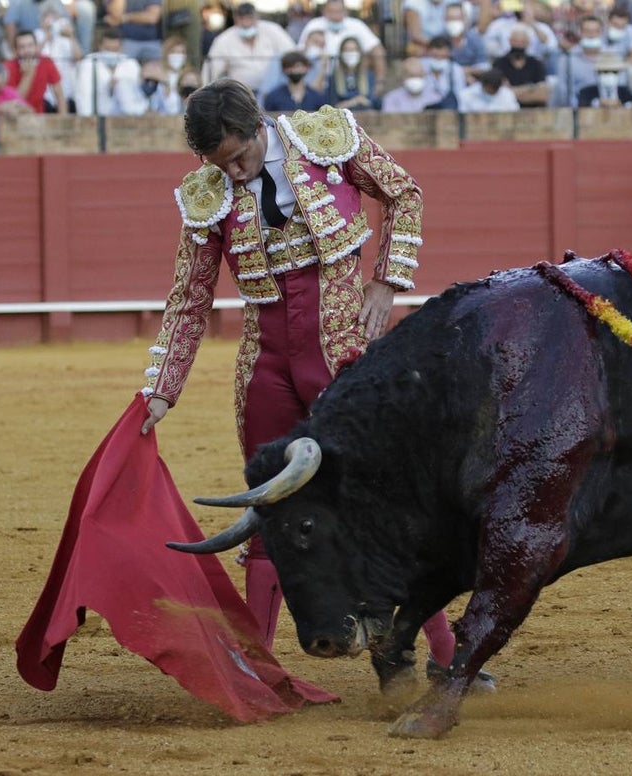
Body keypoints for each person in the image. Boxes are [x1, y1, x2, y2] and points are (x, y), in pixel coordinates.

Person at [140, 79, 489, 691]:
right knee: (271, 513)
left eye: (241, 158)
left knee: (385, 508)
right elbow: (189, 299)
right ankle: (259, 668)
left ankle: (443, 654)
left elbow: (404, 194)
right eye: (221, 166)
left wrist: (387, 279)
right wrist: (163, 389)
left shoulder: (327, 139)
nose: (237, 174)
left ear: (258, 129)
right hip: (266, 367)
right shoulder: (207, 194)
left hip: (345, 357)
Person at [296, 0, 387, 95]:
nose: (335, 16)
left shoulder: (356, 25)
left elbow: (377, 51)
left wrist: (380, 81)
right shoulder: (314, 25)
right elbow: (299, 53)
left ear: (345, 12)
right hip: (318, 79)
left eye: (338, 12)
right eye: (331, 11)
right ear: (324, 12)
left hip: (348, 78)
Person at [202, 2, 295, 93]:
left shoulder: (273, 30)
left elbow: (292, 54)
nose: (246, 23)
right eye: (241, 18)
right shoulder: (224, 39)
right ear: (235, 19)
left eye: (249, 18)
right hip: (242, 94)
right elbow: (210, 69)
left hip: (274, 92)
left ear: (257, 17)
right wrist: (204, 93)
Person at [74, 27, 146, 115]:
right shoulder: (88, 64)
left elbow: (138, 95)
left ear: (121, 48)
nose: (111, 53)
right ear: (100, 46)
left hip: (126, 118)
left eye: (115, 49)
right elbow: (83, 95)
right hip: (98, 117)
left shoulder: (131, 64)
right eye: (108, 49)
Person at [7, 28, 66, 113]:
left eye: (30, 46)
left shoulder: (46, 62)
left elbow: (59, 95)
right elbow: (15, 102)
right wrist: (28, 75)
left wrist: (63, 122)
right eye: (22, 47)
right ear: (16, 51)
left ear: (36, 46)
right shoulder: (9, 66)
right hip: (15, 119)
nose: (27, 50)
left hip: (39, 117)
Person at [491, 24, 548, 107]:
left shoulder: (536, 64)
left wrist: (511, 92)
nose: (518, 45)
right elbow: (497, 93)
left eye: (522, 42)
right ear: (510, 41)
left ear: (528, 43)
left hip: (533, 110)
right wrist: (530, 88)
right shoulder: (499, 63)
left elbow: (542, 95)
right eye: (515, 41)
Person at [261, 49, 332, 111]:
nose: (293, 70)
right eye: (290, 67)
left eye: (297, 66)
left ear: (306, 68)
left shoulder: (316, 97)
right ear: (283, 70)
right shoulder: (273, 96)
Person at [323, 34, 380, 110]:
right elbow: (331, 105)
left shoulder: (369, 75)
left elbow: (375, 103)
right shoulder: (334, 77)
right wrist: (354, 101)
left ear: (360, 53)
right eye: (346, 50)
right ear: (341, 53)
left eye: (353, 50)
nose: (350, 53)